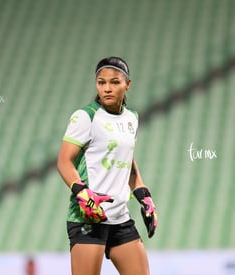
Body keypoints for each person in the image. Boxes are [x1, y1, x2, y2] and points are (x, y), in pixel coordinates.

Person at [57, 56, 158, 275]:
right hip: (87, 217)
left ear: (127, 84)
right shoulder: (86, 116)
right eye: (101, 82)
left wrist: (145, 197)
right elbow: (63, 161)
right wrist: (82, 192)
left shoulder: (132, 118)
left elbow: (128, 163)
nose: (107, 88)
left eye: (114, 82)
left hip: (120, 218)